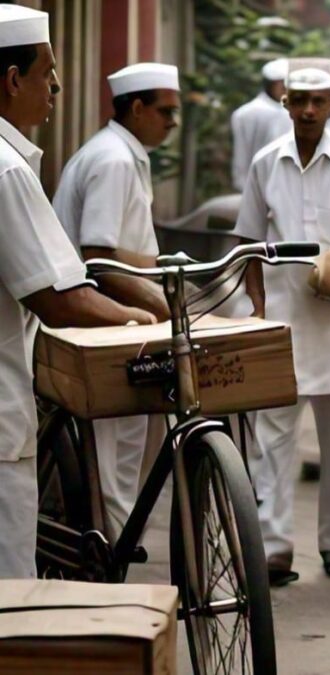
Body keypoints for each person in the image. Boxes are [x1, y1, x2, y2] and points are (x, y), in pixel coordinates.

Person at [0, 4, 154, 578]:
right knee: (9, 599)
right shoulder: (7, 170)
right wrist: (135, 321)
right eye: (47, 72)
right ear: (13, 80)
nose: (57, 86)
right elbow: (59, 296)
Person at [235, 57, 330, 586]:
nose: (306, 110)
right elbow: (248, 245)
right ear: (285, 104)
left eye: (317, 102)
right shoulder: (264, 164)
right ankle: (274, 547)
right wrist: (254, 311)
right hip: (279, 325)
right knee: (271, 439)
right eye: (298, 101)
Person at [52, 61, 181, 538]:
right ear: (137, 107)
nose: (172, 122)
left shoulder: (123, 153)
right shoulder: (113, 159)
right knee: (113, 439)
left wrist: (161, 271)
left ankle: (121, 532)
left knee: (134, 433)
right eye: (165, 111)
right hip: (101, 317)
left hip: (122, 314)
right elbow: (99, 256)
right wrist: (158, 305)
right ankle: (108, 540)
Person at [231, 58, 290, 192]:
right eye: (280, 84)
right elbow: (241, 158)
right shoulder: (246, 114)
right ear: (269, 85)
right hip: (256, 188)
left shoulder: (295, 112)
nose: (284, 88)